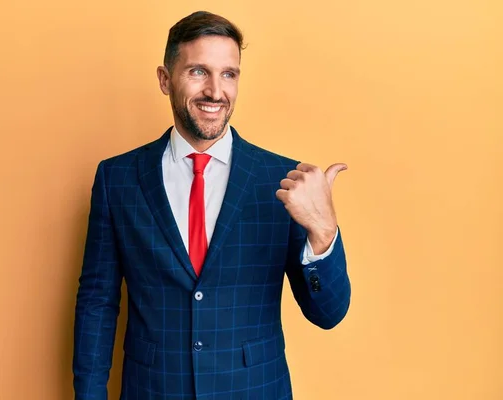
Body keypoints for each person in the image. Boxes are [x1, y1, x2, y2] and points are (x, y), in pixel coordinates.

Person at [73, 10, 351, 400]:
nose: (215, 92)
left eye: (229, 74)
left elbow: (329, 314)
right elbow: (97, 303)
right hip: (154, 389)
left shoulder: (285, 181)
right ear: (165, 80)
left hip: (255, 390)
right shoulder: (117, 178)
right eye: (198, 72)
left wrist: (323, 233)